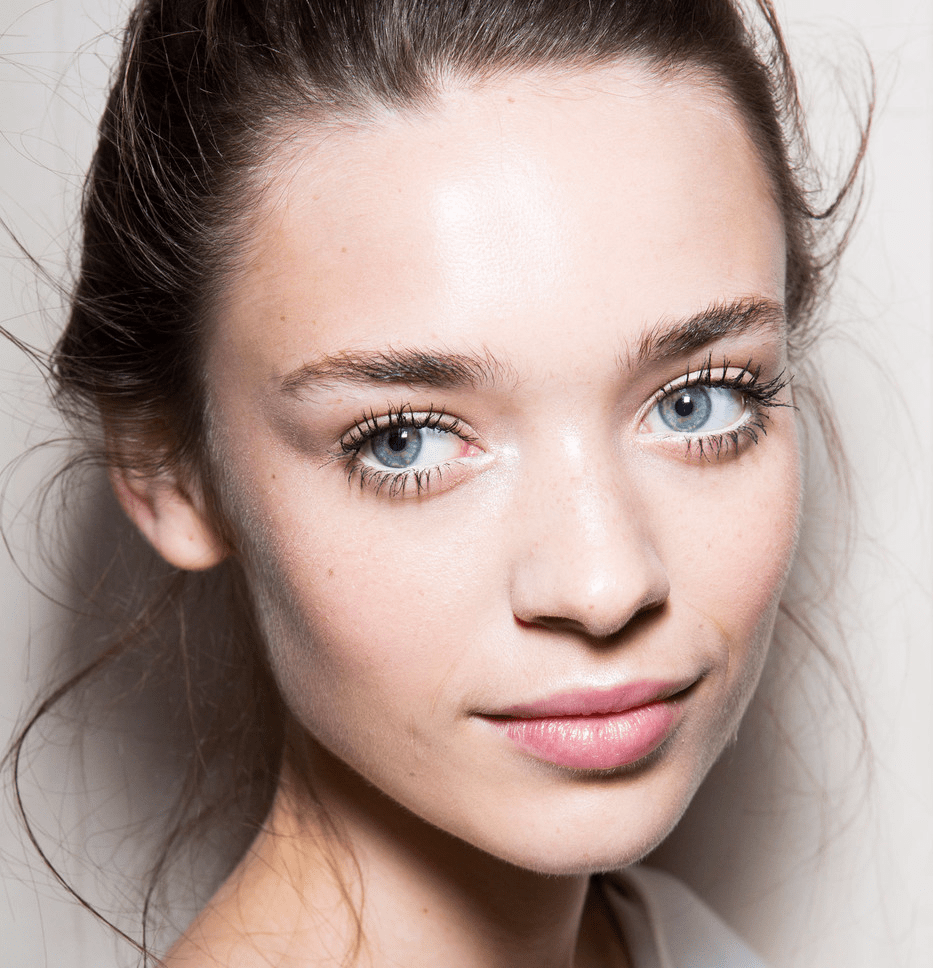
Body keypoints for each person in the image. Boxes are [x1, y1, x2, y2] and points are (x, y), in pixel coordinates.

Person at [2, 0, 890, 965]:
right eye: (405, 440)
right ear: (170, 472)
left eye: (697, 403)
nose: (604, 587)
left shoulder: (680, 942)